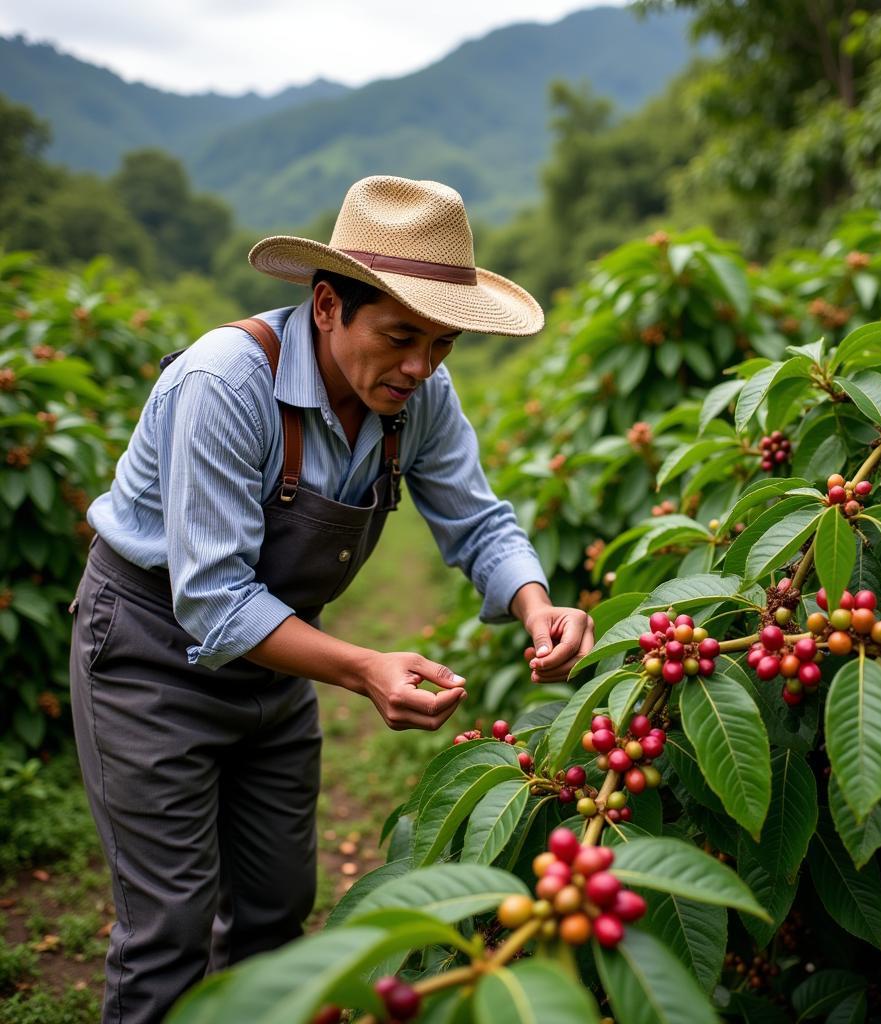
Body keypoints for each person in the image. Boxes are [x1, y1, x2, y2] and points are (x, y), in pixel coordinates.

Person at [69, 175, 595, 1024]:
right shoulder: (225, 385)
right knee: (168, 927)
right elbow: (211, 600)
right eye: (398, 337)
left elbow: (479, 520)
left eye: (442, 343)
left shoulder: (416, 397)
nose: (420, 366)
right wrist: (362, 669)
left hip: (277, 665)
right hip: (150, 657)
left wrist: (537, 604)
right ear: (325, 305)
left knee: (279, 909)